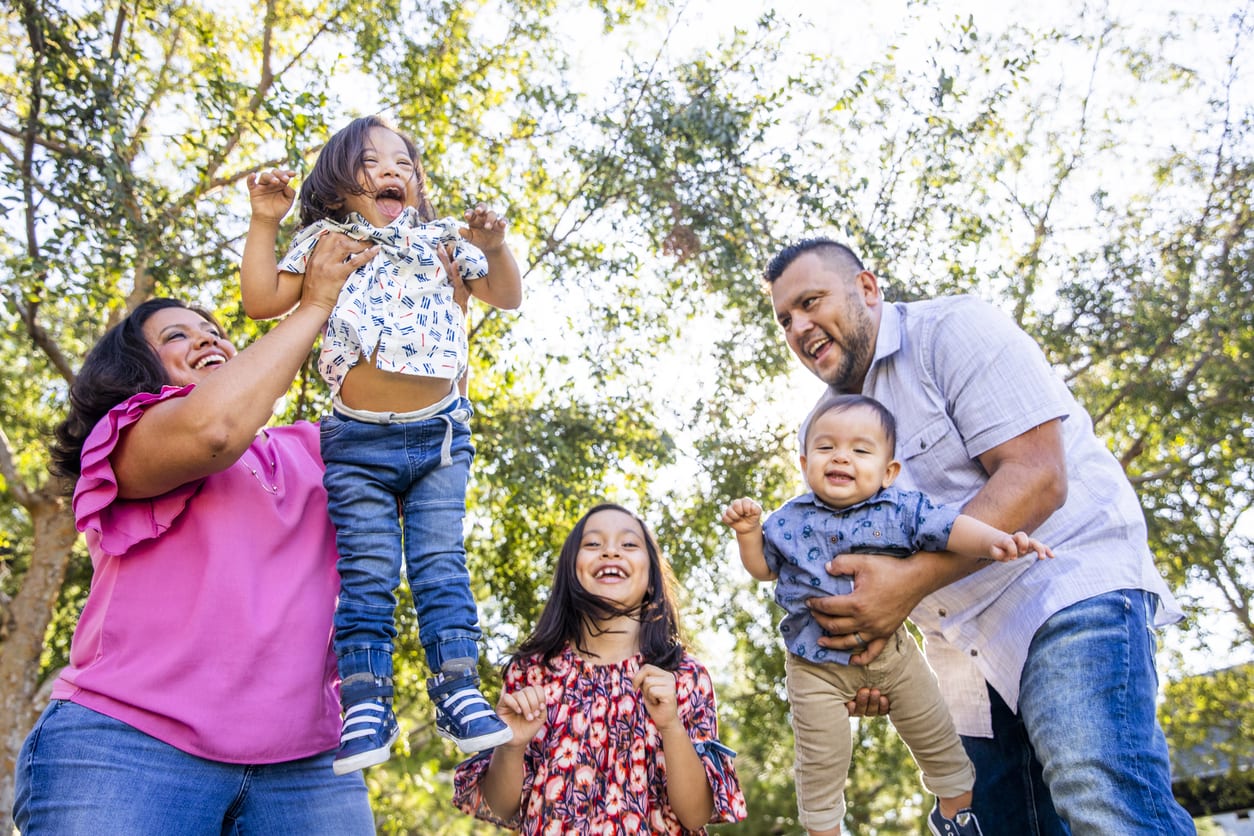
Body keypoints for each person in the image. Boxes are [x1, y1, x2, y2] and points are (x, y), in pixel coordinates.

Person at [763, 237, 1195, 835]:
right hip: (959, 653)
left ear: (867, 288)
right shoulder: (825, 428)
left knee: (1099, 795)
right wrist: (858, 666)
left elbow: (1037, 477)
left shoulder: (952, 331)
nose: (800, 327)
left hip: (1061, 586)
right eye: (786, 319)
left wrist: (907, 586)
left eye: (811, 302)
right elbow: (849, 569)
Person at [14, 234, 380, 834]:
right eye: (176, 336)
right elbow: (213, 429)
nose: (206, 337)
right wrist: (313, 305)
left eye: (211, 328)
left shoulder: (309, 449)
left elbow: (418, 437)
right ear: (138, 369)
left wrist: (439, 300)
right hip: (127, 748)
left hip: (306, 768)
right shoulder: (126, 435)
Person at [240, 115, 523, 774]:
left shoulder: (444, 239)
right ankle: (365, 700)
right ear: (340, 184)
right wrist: (263, 222)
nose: (393, 170)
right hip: (356, 442)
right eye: (372, 161)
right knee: (367, 576)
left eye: (404, 161)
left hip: (441, 436)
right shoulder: (326, 240)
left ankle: (457, 687)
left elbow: (505, 298)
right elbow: (259, 300)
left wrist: (495, 245)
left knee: (438, 566)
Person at [723, 393, 1052, 836]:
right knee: (821, 759)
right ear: (804, 464)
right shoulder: (787, 520)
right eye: (826, 448)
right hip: (813, 667)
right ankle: (823, 829)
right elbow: (763, 568)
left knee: (937, 736)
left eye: (860, 450)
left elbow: (951, 528)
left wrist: (996, 541)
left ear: (888, 471)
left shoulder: (901, 509)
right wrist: (747, 534)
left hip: (894, 659)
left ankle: (957, 814)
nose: (841, 456)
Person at [451, 504, 748, 834]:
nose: (610, 551)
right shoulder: (531, 672)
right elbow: (503, 806)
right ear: (571, 571)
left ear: (651, 578)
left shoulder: (684, 676)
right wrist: (511, 745)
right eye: (593, 544)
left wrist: (671, 726)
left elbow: (695, 815)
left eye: (629, 544)